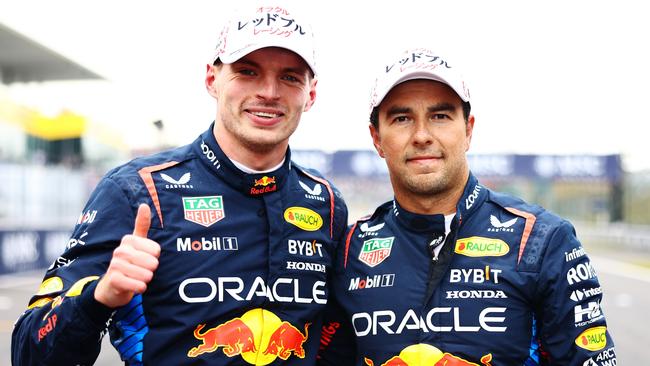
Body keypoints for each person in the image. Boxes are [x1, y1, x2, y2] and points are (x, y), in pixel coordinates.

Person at [12, 5, 347, 365]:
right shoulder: (135, 191)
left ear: (310, 94)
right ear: (211, 80)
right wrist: (98, 298)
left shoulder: (326, 203)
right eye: (247, 72)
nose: (268, 91)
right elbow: (28, 351)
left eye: (290, 77)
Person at [317, 48, 616, 365]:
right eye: (402, 118)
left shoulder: (542, 240)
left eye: (440, 116)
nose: (422, 135)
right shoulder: (350, 249)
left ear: (468, 129)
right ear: (377, 138)